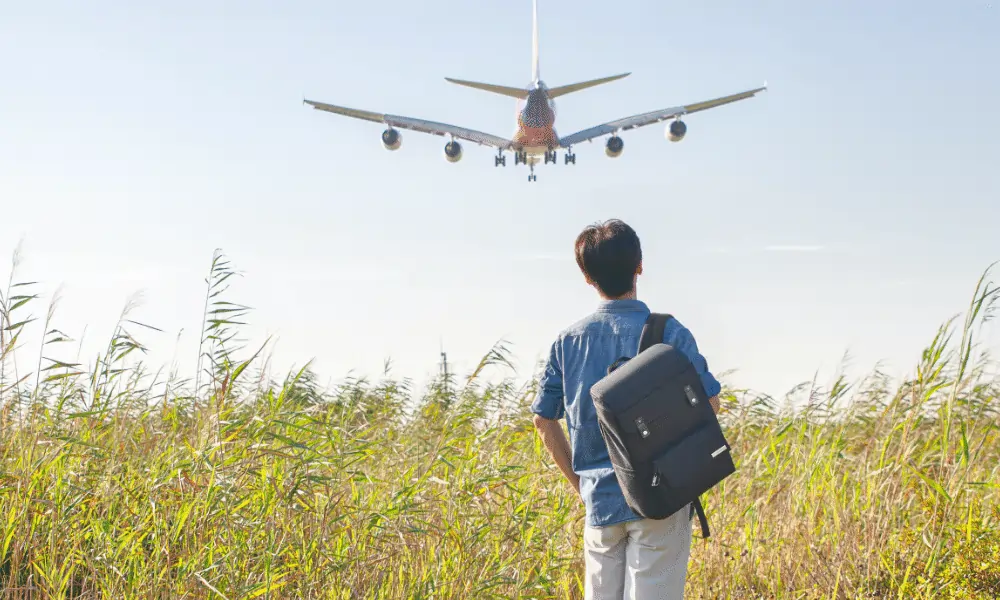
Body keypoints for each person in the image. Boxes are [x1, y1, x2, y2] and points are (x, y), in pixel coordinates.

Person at [530, 219, 721, 599]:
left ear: (587, 278)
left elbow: (543, 419)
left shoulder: (568, 342)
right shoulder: (669, 332)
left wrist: (582, 485)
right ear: (640, 266)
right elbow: (711, 401)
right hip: (661, 498)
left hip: (600, 501)